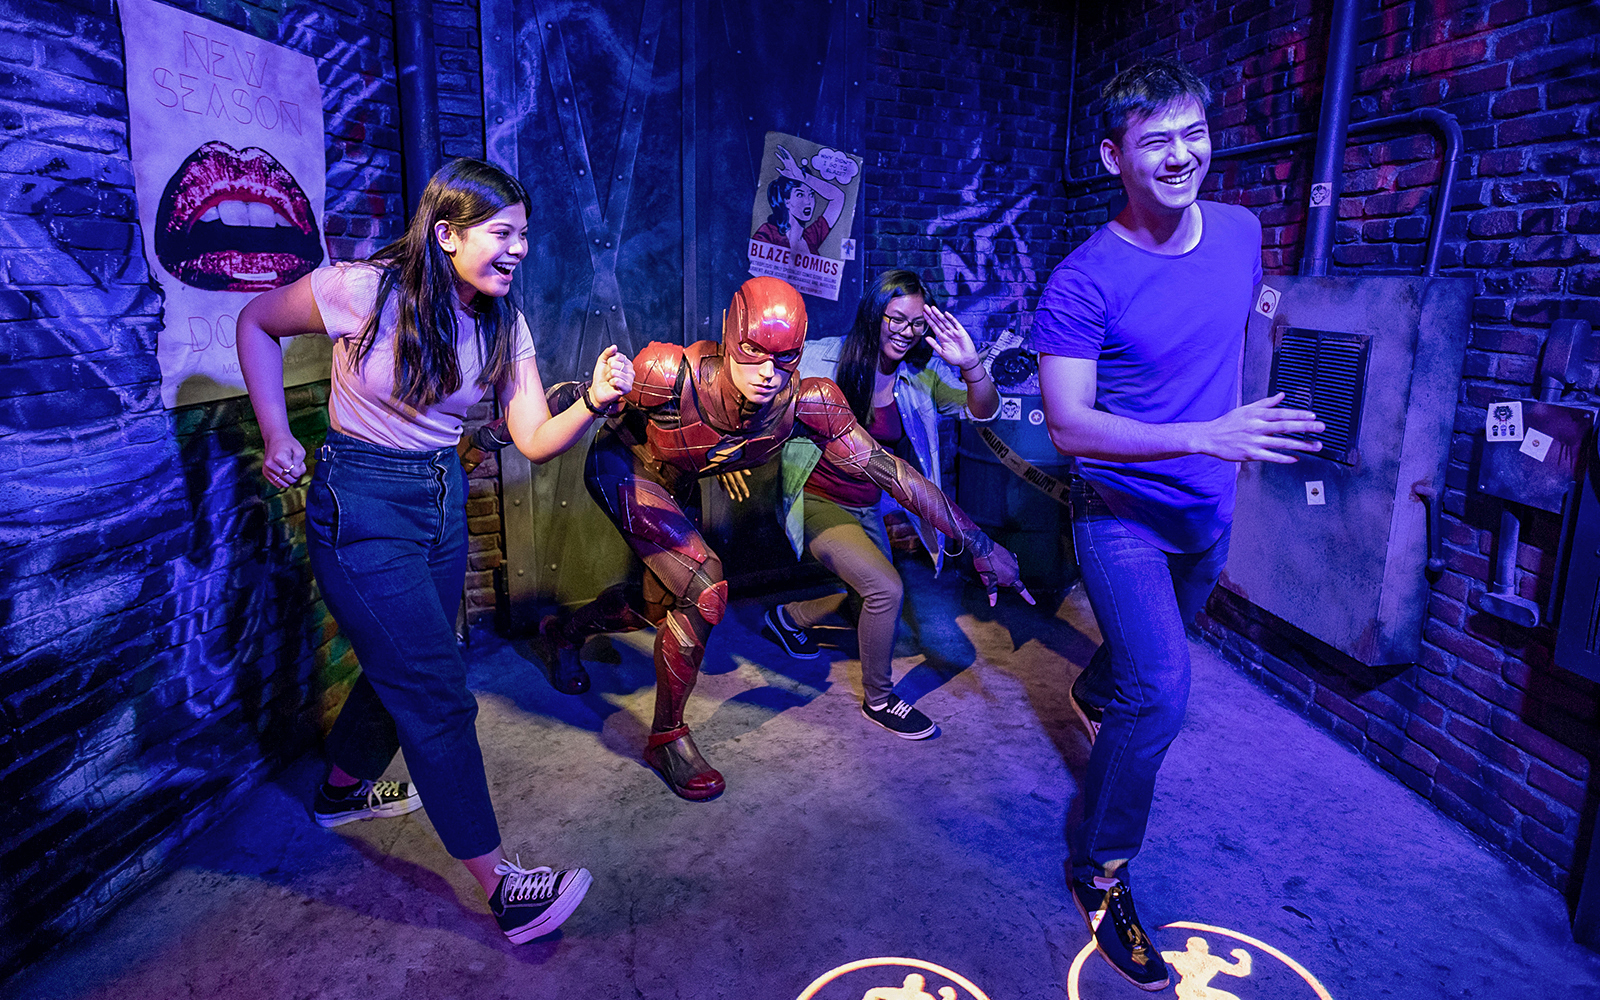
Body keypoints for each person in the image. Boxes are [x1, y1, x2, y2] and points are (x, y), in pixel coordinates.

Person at [236, 157, 634, 944]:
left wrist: (590, 400)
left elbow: (530, 438)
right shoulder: (364, 289)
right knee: (435, 686)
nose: (519, 249)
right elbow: (256, 323)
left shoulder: (502, 320)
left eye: (525, 235)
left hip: (439, 498)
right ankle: (502, 887)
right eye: (502, 233)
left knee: (411, 656)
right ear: (447, 235)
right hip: (362, 503)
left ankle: (343, 788)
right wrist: (278, 433)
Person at [1034, 61, 1322, 991]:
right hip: (1118, 512)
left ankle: (1096, 684)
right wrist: (1207, 432)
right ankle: (1102, 869)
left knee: (1135, 669)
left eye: (1194, 132)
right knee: (1161, 695)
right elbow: (1070, 426)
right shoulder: (1082, 281)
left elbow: (1236, 331)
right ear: (1114, 155)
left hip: (1208, 509)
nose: (1181, 154)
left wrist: (1264, 413)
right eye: (1156, 140)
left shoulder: (1240, 232)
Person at [532, 275, 1030, 802]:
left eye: (786, 356)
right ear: (730, 338)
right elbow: (574, 397)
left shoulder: (809, 400)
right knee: (705, 587)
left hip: (678, 480)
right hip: (625, 467)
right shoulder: (668, 371)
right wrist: (494, 434)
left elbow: (895, 475)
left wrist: (977, 542)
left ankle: (564, 634)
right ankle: (668, 737)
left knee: (661, 606)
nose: (769, 373)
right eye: (753, 352)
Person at [726, 269, 1001, 740]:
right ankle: (879, 699)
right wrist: (729, 445)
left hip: (867, 504)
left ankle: (787, 618)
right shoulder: (820, 356)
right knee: (885, 590)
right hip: (815, 498)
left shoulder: (921, 376)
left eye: (916, 322)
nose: (905, 330)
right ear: (875, 313)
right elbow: (745, 379)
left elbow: (984, 409)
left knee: (871, 601)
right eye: (896, 317)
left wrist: (972, 365)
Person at [751, 145, 844, 255]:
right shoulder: (768, 233)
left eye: (811, 194)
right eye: (800, 195)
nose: (808, 201)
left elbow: (838, 197)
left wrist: (803, 178)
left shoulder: (811, 238)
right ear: (787, 201)